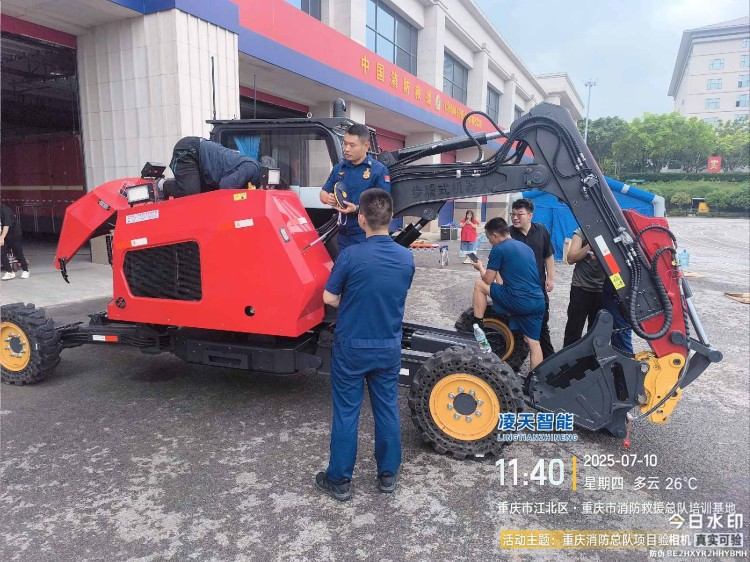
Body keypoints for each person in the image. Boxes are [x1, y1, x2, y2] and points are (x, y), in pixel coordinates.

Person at [316, 188, 414, 501]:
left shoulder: (350, 255)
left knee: (347, 412)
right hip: (388, 345)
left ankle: (339, 480)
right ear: (391, 218)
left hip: (352, 346)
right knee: (387, 409)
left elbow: (329, 297)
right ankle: (387, 475)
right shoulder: (406, 258)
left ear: (360, 218)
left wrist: (351, 302)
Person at [471, 217, 546, 369]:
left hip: (518, 300)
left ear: (495, 235)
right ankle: (536, 380)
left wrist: (480, 267)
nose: (490, 242)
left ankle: (478, 326)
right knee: (533, 343)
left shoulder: (499, 249)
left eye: (489, 238)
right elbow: (503, 281)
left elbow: (487, 280)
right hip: (538, 301)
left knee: (479, 284)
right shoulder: (526, 248)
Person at [320, 124, 391, 251]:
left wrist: (357, 209)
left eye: (352, 145)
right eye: (345, 143)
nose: (346, 149)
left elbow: (383, 205)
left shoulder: (378, 170)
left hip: (366, 235)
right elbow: (323, 193)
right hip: (342, 234)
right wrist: (327, 198)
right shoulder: (339, 168)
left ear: (366, 146)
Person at [509, 198, 555, 358]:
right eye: (513, 214)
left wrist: (551, 278)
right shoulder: (508, 234)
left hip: (538, 289)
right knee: (516, 328)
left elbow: (548, 256)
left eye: (519, 214)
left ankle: (549, 362)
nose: (515, 218)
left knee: (541, 327)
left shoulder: (541, 231)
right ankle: (513, 361)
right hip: (517, 291)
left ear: (530, 215)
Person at [164, 137, 262, 197]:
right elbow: (225, 186)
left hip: (201, 157)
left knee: (204, 194)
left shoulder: (252, 170)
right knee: (191, 193)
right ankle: (162, 185)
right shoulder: (252, 168)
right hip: (189, 150)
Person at [562, 228, 606, 347]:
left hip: (603, 289)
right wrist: (590, 245)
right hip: (581, 287)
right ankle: (569, 357)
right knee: (574, 329)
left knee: (597, 332)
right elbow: (570, 258)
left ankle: (591, 357)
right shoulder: (582, 232)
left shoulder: (610, 232)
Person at [1, 205, 29, 280]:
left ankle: (25, 270)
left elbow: (6, 226)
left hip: (14, 234)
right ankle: (10, 272)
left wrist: (2, 237)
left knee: (18, 253)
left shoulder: (5, 210)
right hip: (4, 234)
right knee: (2, 253)